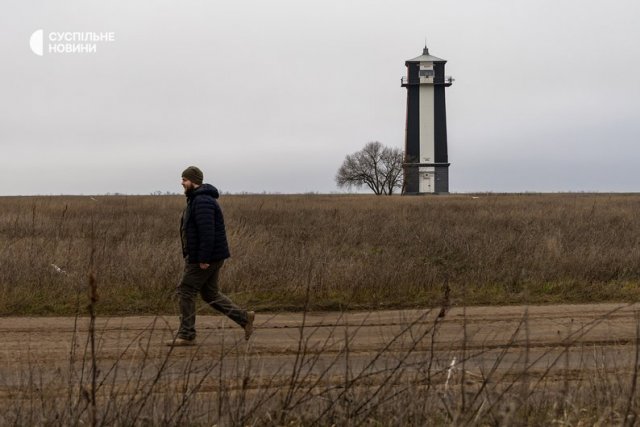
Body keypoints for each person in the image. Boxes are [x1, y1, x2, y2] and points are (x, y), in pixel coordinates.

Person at [166, 166, 254, 346]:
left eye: (184, 180)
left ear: (193, 181)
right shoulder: (197, 199)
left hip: (206, 257)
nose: (182, 183)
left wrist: (203, 258)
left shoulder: (202, 201)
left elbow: (207, 233)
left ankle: (187, 334)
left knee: (186, 290)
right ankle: (244, 318)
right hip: (211, 256)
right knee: (209, 294)